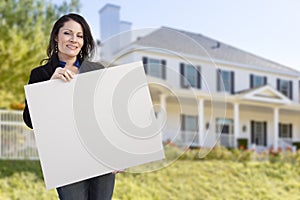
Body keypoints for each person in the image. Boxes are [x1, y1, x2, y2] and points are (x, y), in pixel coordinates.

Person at [23, 13, 116, 200]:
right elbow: (30, 120)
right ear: (56, 36)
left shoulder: (97, 70)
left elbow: (109, 116)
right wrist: (50, 86)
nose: (74, 40)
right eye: (68, 33)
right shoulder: (41, 74)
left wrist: (118, 155)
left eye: (80, 36)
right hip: (65, 160)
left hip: (99, 155)